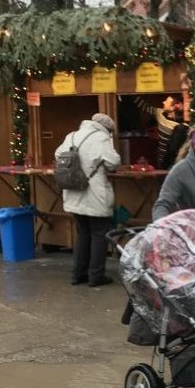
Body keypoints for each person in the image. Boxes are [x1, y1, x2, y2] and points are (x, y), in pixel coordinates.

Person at [56, 112, 121, 287]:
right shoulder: (101, 138)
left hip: (73, 192)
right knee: (99, 234)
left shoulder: (72, 135)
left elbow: (58, 155)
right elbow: (113, 162)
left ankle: (78, 274)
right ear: (107, 129)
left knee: (83, 233)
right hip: (94, 193)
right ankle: (96, 275)